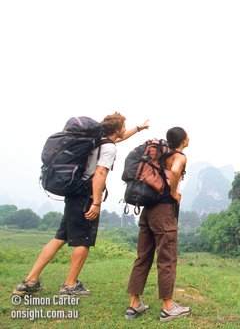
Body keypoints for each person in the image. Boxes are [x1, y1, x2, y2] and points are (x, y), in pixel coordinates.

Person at [12, 112, 149, 297]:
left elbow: (120, 138)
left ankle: (29, 282)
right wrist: (96, 202)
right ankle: (70, 286)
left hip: (73, 192)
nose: (125, 129)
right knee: (83, 240)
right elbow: (100, 173)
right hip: (86, 195)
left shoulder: (97, 141)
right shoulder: (108, 148)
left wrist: (139, 128)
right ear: (116, 129)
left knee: (60, 238)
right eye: (124, 126)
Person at [125, 127, 190, 322]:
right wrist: (173, 193)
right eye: (187, 135)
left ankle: (134, 304)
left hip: (148, 210)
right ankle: (168, 307)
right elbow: (176, 170)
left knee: (142, 257)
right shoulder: (179, 156)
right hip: (163, 212)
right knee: (167, 258)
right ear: (183, 140)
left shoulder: (160, 155)